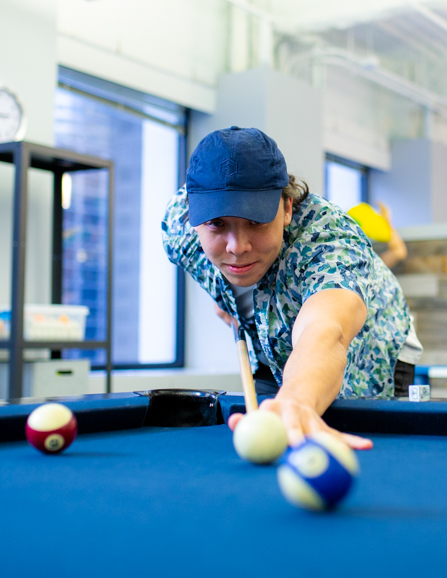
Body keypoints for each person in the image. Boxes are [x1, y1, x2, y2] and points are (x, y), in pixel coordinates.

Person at [161, 126, 422, 449]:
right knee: (278, 427)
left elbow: (327, 329)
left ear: (286, 208)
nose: (237, 247)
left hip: (375, 349)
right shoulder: (178, 229)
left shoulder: (327, 239)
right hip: (274, 347)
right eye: (217, 223)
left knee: (328, 431)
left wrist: (298, 397)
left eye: (255, 222)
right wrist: (225, 294)